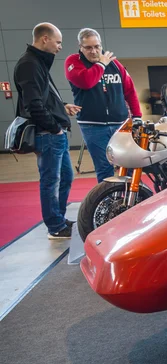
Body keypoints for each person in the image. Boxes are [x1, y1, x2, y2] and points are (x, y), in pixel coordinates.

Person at [14, 23, 80, 240]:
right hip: (48, 134)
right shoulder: (29, 64)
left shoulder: (38, 63)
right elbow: (34, 104)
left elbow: (44, 98)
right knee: (51, 181)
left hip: (52, 132)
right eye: (58, 42)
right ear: (44, 39)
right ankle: (55, 226)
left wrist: (62, 107)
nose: (60, 47)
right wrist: (54, 129)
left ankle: (58, 219)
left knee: (65, 177)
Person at [65, 28, 142, 183]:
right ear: (80, 47)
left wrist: (137, 116)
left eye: (97, 47)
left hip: (120, 124)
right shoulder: (73, 62)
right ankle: (108, 203)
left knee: (131, 165)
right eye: (88, 47)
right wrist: (101, 64)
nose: (94, 51)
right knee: (104, 168)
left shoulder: (114, 64)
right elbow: (86, 82)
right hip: (92, 125)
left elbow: (129, 91)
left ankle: (134, 201)